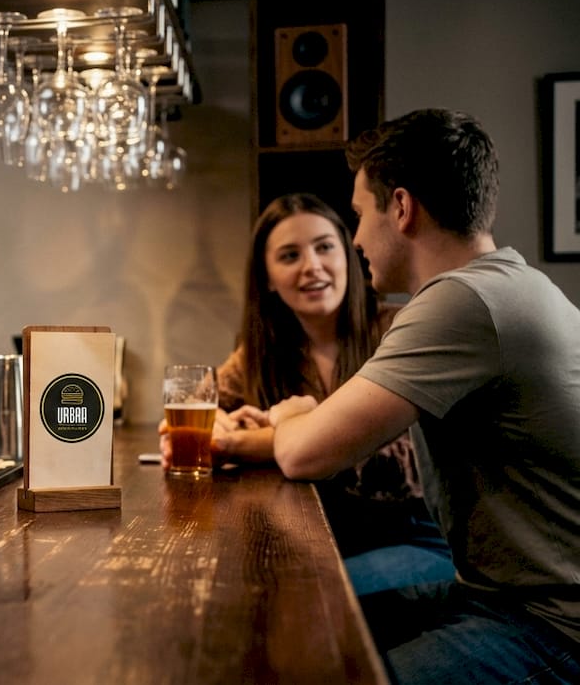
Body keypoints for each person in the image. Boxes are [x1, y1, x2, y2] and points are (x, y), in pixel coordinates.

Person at [271, 109, 580, 682]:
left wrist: (292, 415)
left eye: (359, 215)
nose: (356, 238)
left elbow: (302, 454)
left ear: (402, 208)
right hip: (491, 592)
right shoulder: (511, 284)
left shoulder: (463, 301)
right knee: (304, 616)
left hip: (550, 625)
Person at [163, 193, 453, 595]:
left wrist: (249, 442)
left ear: (348, 255)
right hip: (323, 540)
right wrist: (213, 430)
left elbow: (404, 465)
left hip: (415, 538)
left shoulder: (399, 331)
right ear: (267, 277)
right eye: (289, 256)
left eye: (324, 247)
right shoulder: (262, 351)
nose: (312, 266)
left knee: (303, 595)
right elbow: (195, 411)